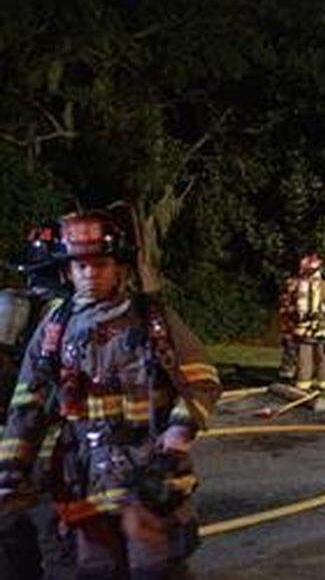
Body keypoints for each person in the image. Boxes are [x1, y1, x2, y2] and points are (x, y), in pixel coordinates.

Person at [0, 211, 222, 580]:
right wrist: (10, 473)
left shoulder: (154, 320)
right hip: (83, 482)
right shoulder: (55, 328)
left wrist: (175, 442)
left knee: (156, 569)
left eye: (100, 264)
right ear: (67, 272)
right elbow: (28, 405)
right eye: (80, 265)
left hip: (150, 476)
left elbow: (202, 382)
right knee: (95, 570)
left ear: (119, 268)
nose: (90, 273)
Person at [0, 224, 75, 580]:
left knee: (13, 551)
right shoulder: (73, 318)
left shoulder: (9, 307)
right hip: (54, 458)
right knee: (60, 552)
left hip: (10, 454)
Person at [293, 253, 325, 391]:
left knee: (304, 357)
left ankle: (303, 382)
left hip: (303, 327)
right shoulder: (324, 286)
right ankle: (324, 382)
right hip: (322, 326)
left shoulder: (297, 285)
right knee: (324, 357)